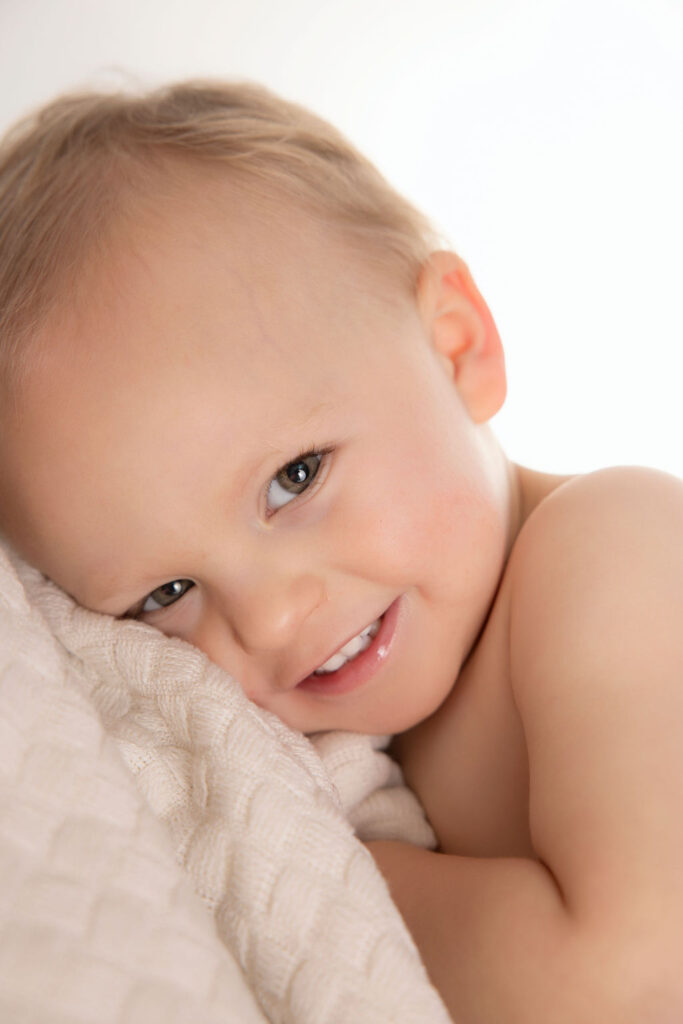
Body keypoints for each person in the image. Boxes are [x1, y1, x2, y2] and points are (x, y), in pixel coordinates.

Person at [0, 80, 681, 1023]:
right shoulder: (346, 743)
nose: (270, 616)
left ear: (456, 344)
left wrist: (328, 877)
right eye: (166, 592)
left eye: (296, 477)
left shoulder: (618, 545)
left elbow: (631, 979)